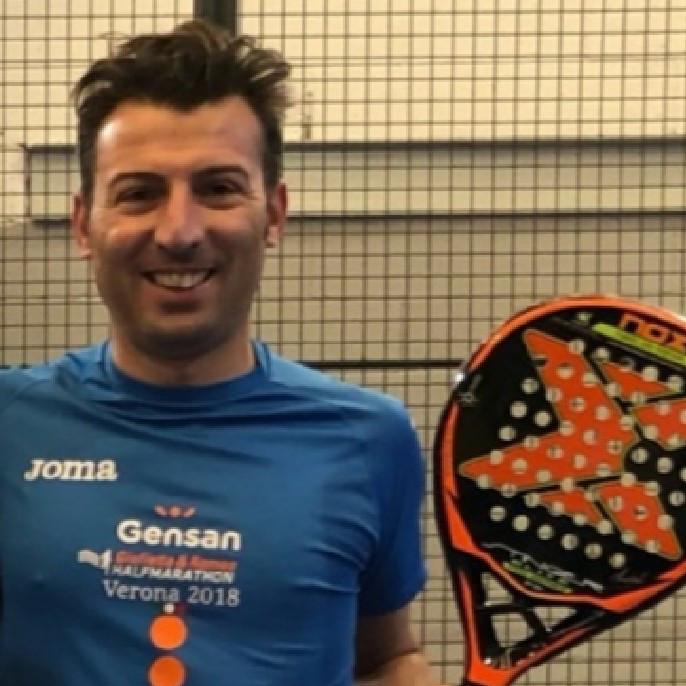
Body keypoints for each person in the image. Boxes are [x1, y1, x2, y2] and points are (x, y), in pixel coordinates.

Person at [0, 19, 442, 686]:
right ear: (83, 224)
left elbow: (386, 657)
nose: (179, 231)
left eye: (218, 188)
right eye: (139, 193)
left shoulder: (368, 439)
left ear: (274, 215)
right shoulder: (11, 426)